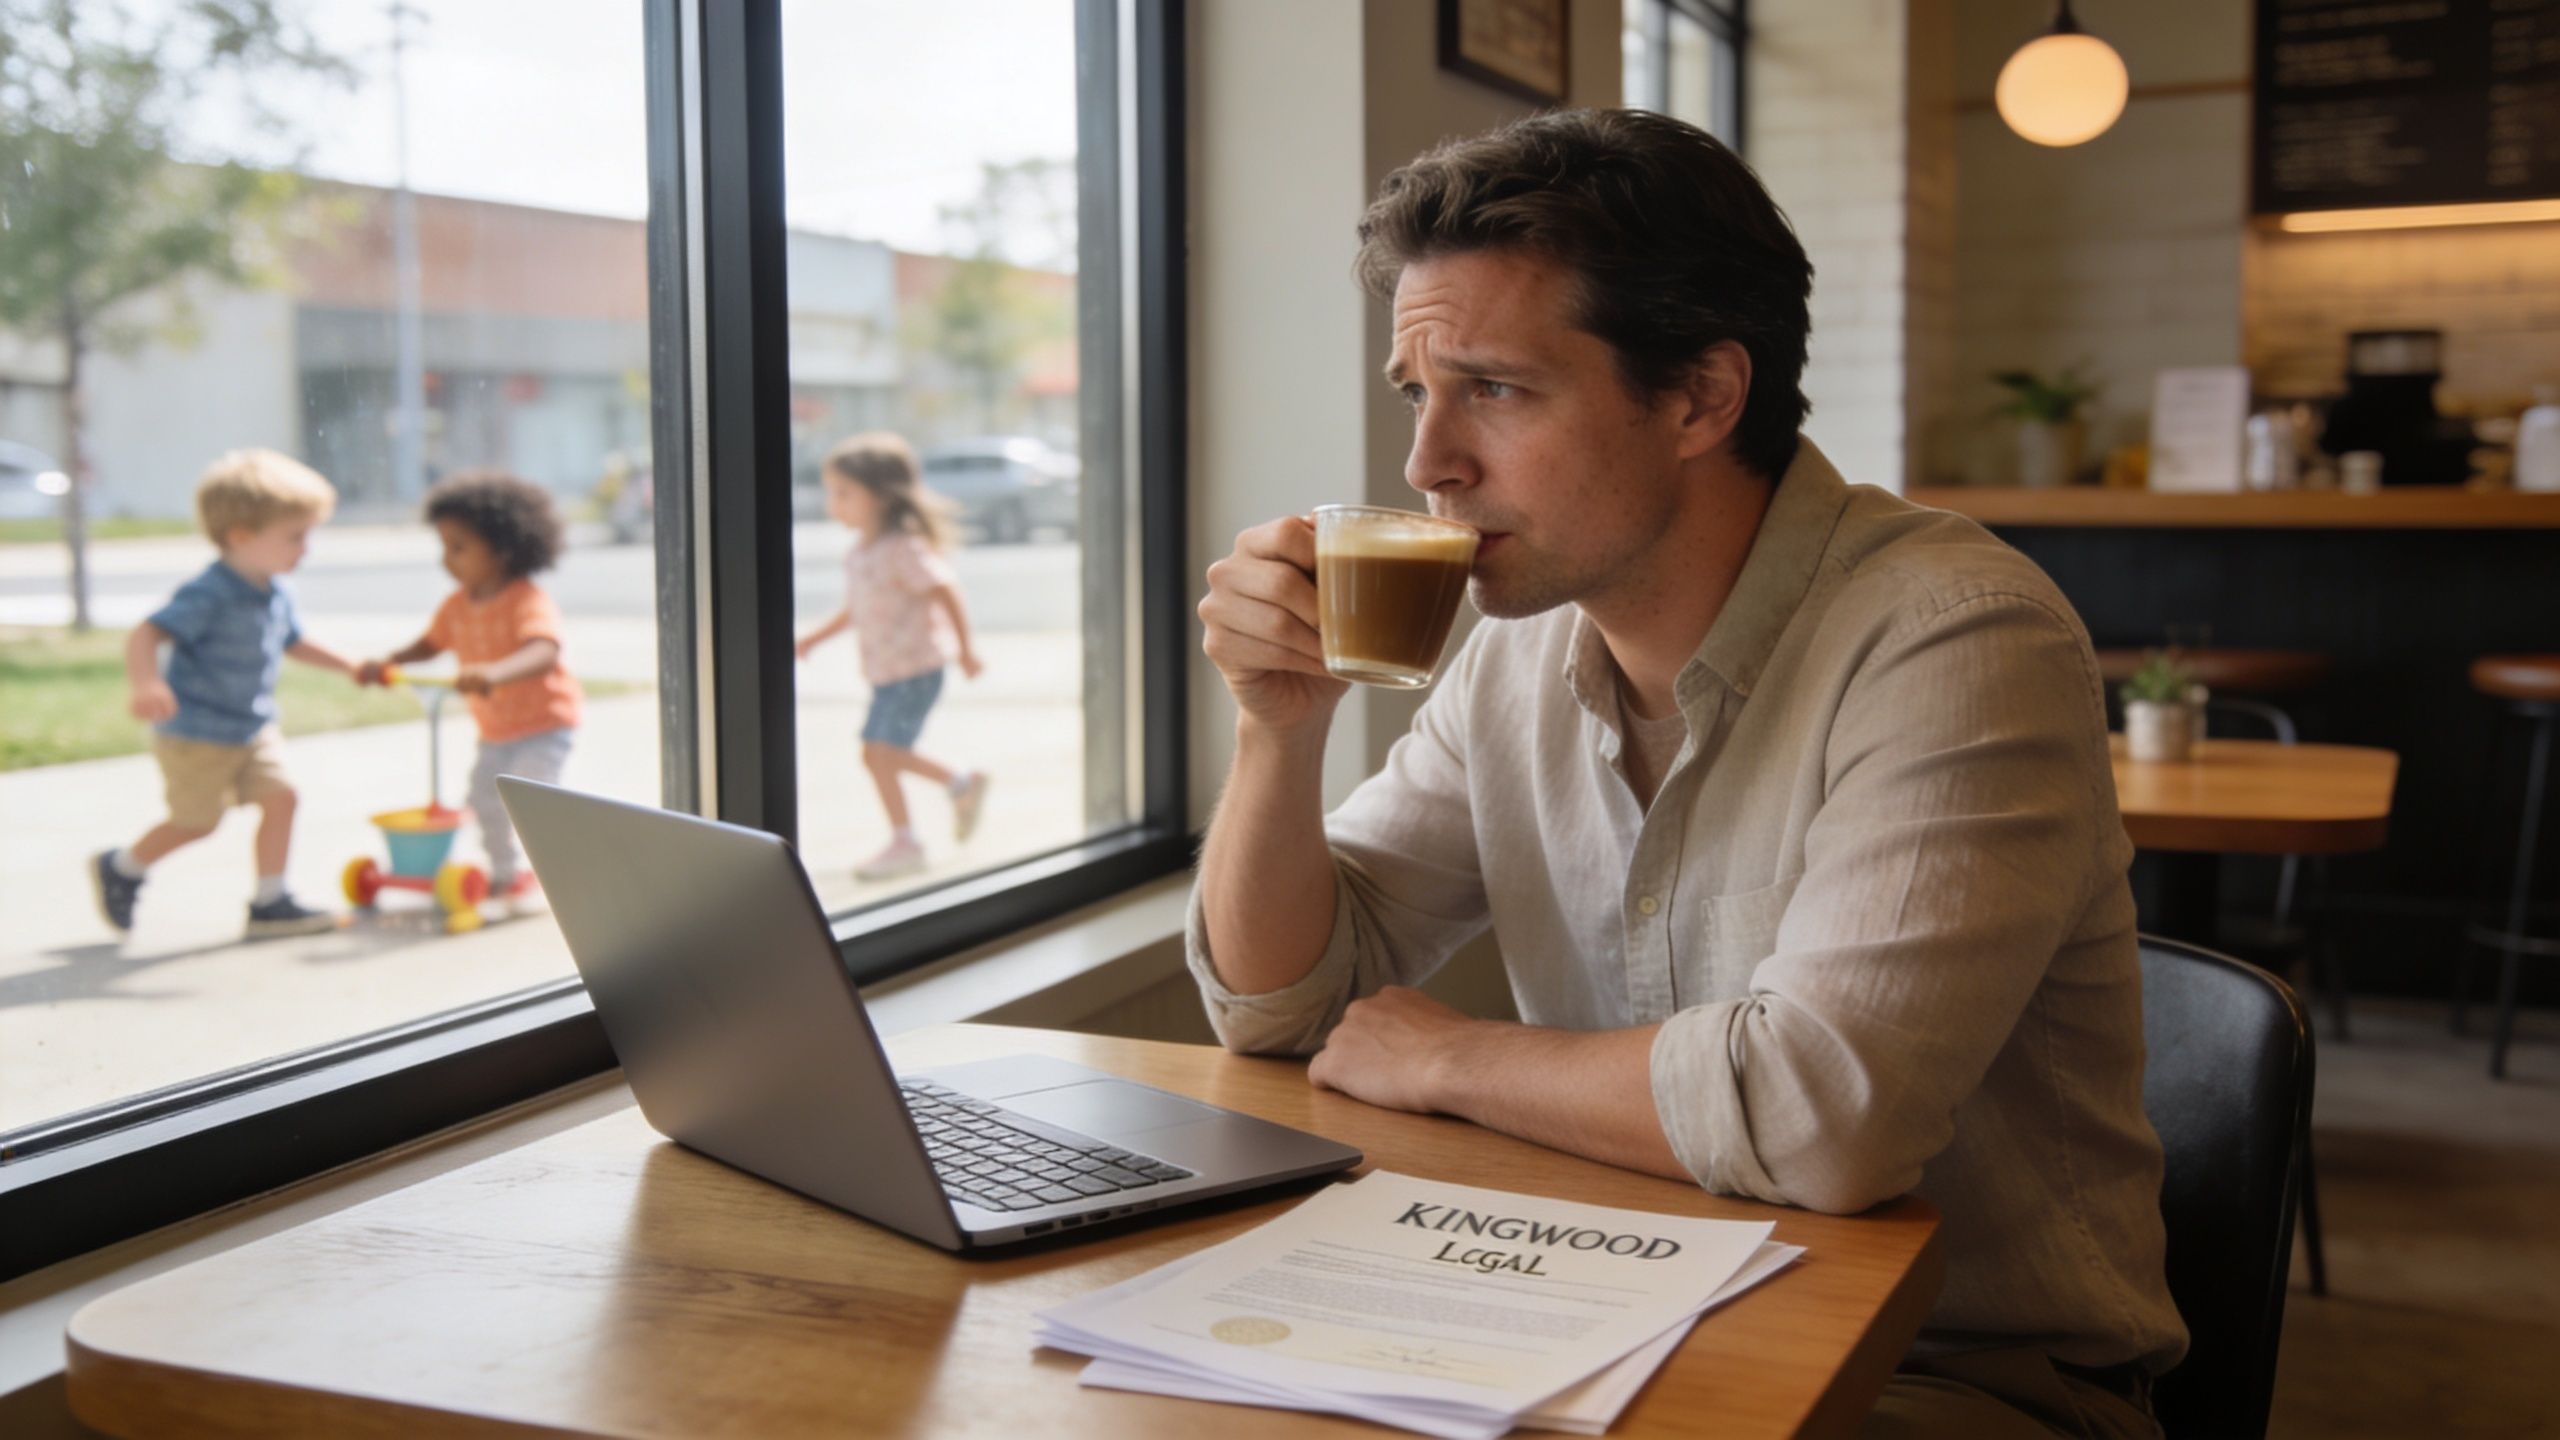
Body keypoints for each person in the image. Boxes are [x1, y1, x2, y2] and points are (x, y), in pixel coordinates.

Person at [1188, 109, 2185, 1439]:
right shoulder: (1508, 656)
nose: (1428, 466)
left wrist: (1459, 1060)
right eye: (1418, 396)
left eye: (1494, 388)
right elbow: (1288, 1004)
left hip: (1948, 1378)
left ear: (1702, 398)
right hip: (1613, 1317)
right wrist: (1279, 724)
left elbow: (1822, 1119)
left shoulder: (1955, 632)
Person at [92, 448, 358, 940]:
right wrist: (147, 682)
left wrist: (352, 666)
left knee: (283, 798)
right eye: (296, 536)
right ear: (240, 536)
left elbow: (294, 641)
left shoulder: (275, 588)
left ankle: (270, 900)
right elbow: (147, 634)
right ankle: (123, 867)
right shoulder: (209, 592)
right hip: (196, 733)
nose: (307, 549)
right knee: (196, 823)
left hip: (251, 726)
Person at [358, 471, 581, 915]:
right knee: (482, 800)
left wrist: (496, 672)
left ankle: (565, 872)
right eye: (443, 547)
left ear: (502, 548)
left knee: (533, 801)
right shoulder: (457, 605)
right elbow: (430, 644)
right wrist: (390, 662)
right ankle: (507, 874)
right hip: (496, 730)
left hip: (544, 724)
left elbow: (544, 650)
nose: (447, 560)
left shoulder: (525, 600)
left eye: (458, 547)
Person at [795, 433, 989, 882]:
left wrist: (965, 649)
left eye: (844, 493)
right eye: (832, 493)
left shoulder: (904, 547)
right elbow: (856, 609)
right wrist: (813, 639)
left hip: (916, 672)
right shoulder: (860, 553)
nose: (833, 504)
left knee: (880, 752)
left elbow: (945, 589)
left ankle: (909, 839)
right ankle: (957, 787)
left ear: (882, 497)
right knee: (879, 753)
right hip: (889, 674)